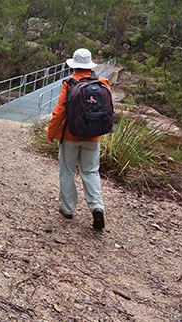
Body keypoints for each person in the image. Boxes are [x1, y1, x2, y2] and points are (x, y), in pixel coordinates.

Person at [47, 48, 110, 230]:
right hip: (93, 137)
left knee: (67, 171)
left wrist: (51, 134)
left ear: (73, 65)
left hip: (70, 136)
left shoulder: (69, 83)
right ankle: (96, 206)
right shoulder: (103, 82)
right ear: (90, 65)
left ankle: (67, 209)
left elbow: (60, 111)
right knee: (90, 171)